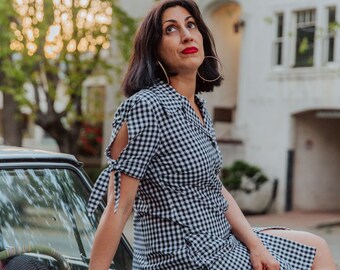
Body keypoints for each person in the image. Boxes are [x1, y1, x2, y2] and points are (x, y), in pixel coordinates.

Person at [87, 0, 336, 269]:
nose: (186, 35)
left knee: (316, 248)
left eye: (191, 25)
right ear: (154, 50)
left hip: (219, 243)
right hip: (185, 258)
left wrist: (256, 246)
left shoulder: (198, 106)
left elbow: (214, 188)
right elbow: (119, 205)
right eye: (171, 29)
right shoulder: (147, 106)